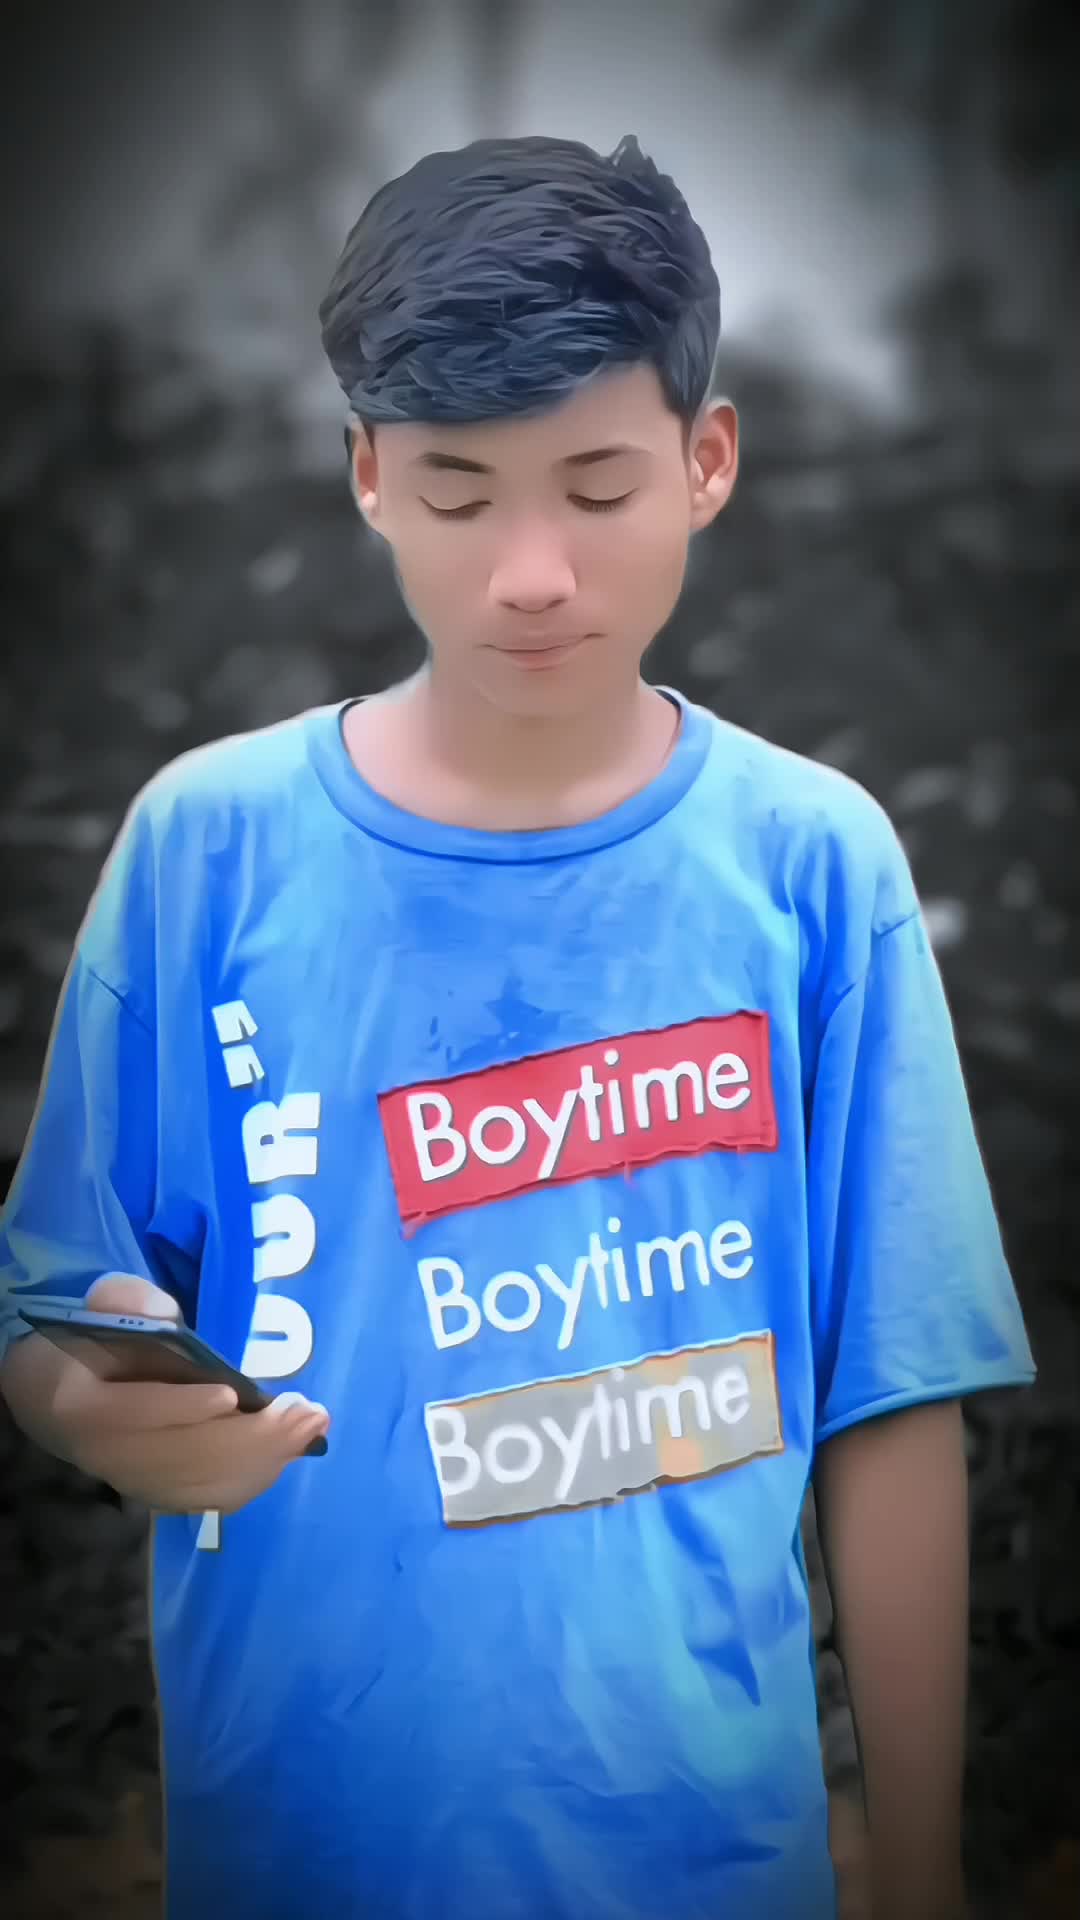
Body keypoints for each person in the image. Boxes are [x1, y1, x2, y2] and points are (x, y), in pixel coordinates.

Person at [0, 132, 1035, 1920]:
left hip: (712, 1859)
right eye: (461, 493)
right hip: (297, 1848)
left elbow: (891, 1400)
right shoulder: (206, 852)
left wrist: (924, 1867)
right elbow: (55, 1310)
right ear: (368, 477)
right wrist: (88, 1409)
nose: (532, 571)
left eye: (598, 485)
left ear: (708, 462)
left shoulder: (812, 867)